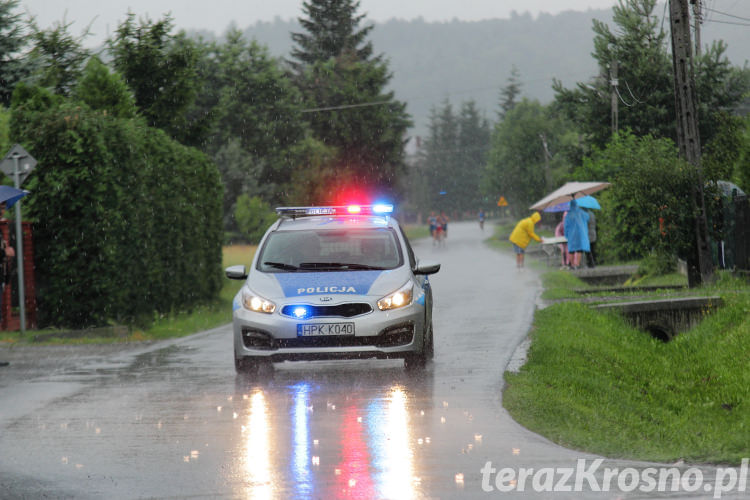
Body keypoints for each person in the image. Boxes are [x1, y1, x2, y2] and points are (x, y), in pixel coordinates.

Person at [563, 199, 590, 270]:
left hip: (571, 234)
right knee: (579, 249)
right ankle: (577, 264)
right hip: (580, 234)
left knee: (571, 250)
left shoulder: (568, 214)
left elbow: (565, 226)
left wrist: (566, 234)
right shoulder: (581, 212)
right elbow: (588, 217)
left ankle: (572, 265)